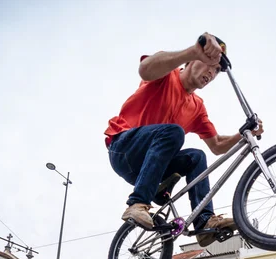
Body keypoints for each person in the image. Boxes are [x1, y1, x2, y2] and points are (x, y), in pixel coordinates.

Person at [105, 33, 263, 247]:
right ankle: (137, 203)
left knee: (197, 156)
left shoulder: (197, 107)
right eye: (208, 64)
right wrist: (193, 51)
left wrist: (243, 134)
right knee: (174, 132)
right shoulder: (166, 74)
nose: (211, 72)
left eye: (216, 70)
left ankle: (204, 223)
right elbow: (145, 69)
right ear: (191, 61)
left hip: (148, 168)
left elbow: (216, 146)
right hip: (123, 149)